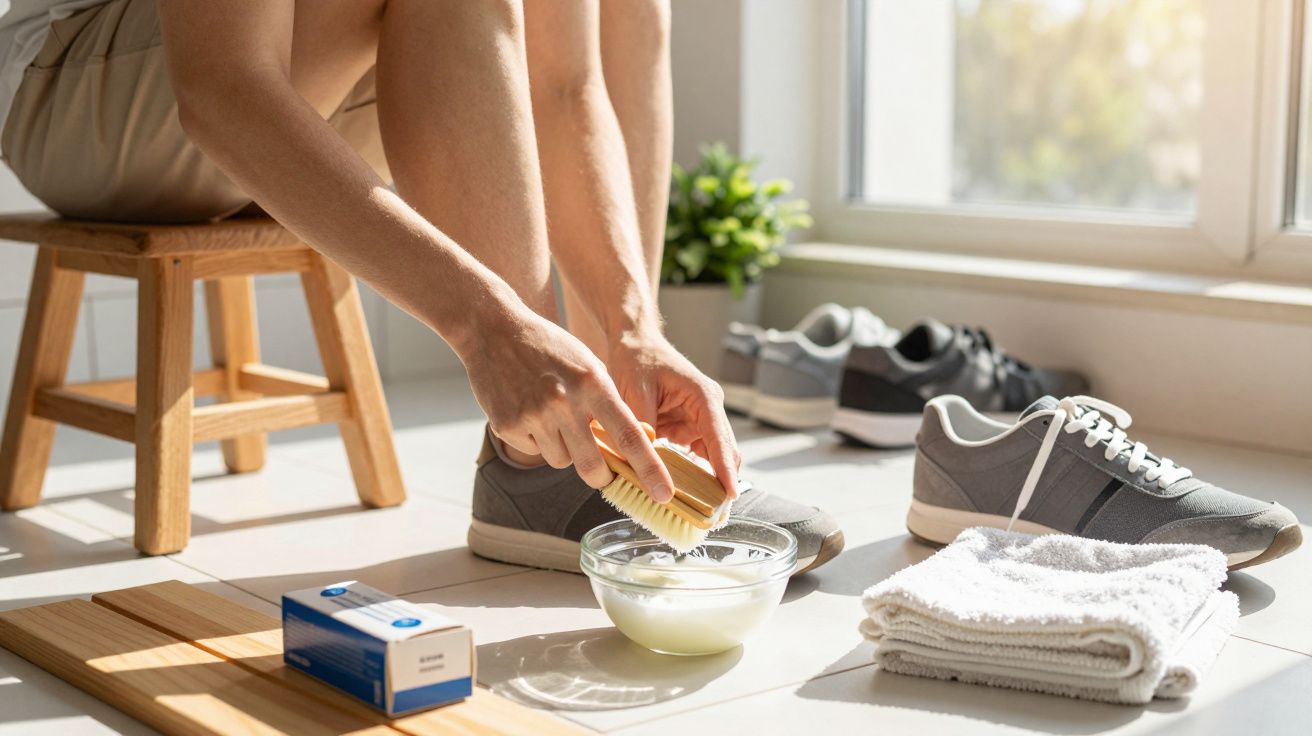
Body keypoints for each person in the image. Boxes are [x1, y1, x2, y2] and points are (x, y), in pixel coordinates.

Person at [0, 0, 842, 572]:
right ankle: (539, 456)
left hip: (296, 76)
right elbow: (222, 86)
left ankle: (610, 414)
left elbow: (561, 84)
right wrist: (488, 327)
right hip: (73, 90)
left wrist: (634, 328)